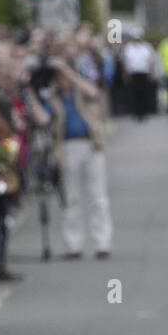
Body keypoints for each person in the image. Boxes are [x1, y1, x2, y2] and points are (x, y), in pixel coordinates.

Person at [44, 57, 112, 259]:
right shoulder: (52, 98)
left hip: (91, 143)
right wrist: (29, 93)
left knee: (98, 197)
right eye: (57, 76)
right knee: (71, 198)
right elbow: (44, 118)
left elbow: (94, 92)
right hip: (67, 147)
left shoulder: (80, 90)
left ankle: (103, 242)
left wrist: (68, 71)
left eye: (62, 75)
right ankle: (73, 244)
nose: (61, 79)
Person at [121, 33, 156, 122]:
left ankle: (144, 112)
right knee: (134, 94)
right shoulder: (129, 48)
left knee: (144, 93)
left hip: (144, 72)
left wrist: (151, 73)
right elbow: (126, 61)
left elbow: (150, 61)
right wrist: (126, 73)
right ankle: (136, 112)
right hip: (133, 73)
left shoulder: (146, 47)